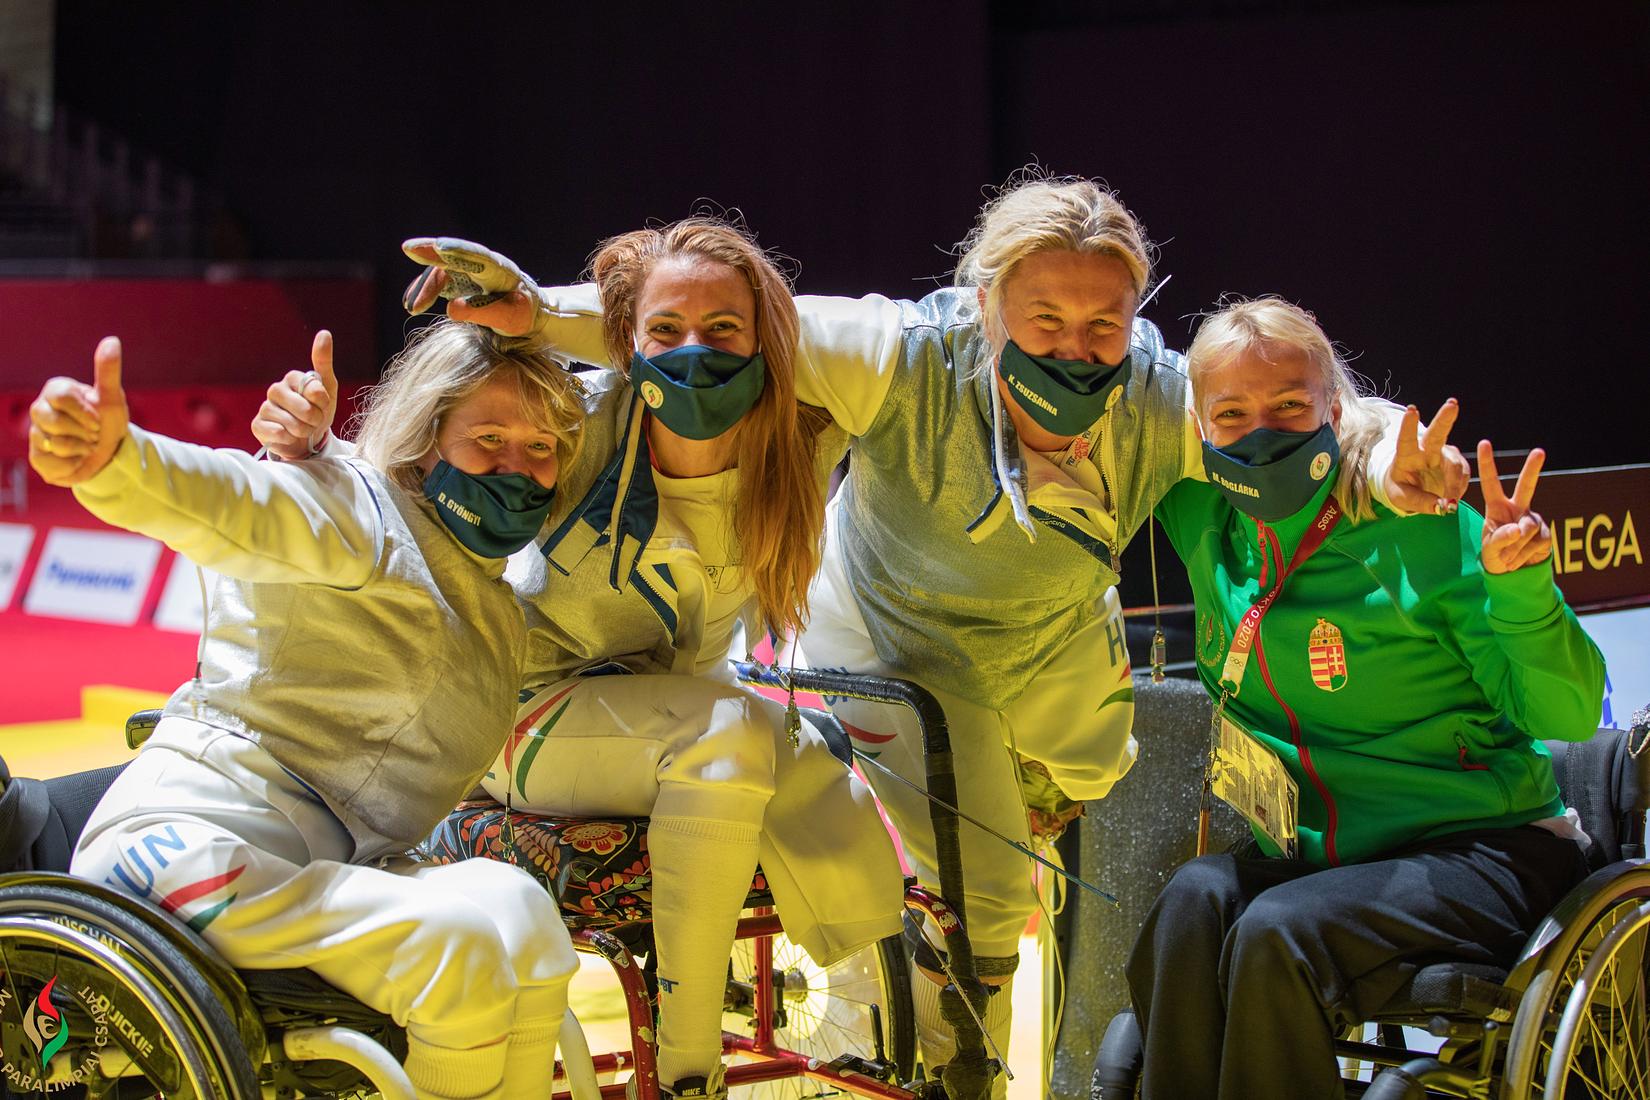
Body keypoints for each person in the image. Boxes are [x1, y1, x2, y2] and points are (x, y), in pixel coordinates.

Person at [381, 174, 1470, 1090]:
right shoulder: (902, 356)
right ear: (987, 304)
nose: (1075, 349)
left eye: (1101, 324)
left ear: (1135, 317)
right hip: (886, 642)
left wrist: (1390, 460)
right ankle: (940, 1049)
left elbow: (1289, 402)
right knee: (979, 876)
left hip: (1044, 640)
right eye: (1043, 321)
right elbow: (713, 314)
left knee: (1074, 790)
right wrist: (537, 311)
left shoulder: (1158, 398)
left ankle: (925, 958)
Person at [256, 218, 907, 1100]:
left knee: (814, 759)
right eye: (664, 330)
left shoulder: (798, 439)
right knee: (726, 733)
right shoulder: (576, 421)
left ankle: (885, 1033)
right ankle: (688, 1071)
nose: (694, 352)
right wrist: (314, 453)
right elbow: (428, 477)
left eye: (724, 329)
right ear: (625, 340)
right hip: (521, 707)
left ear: (766, 339)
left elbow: (882, 344)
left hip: (671, 708)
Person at [32, 322, 586, 1100]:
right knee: (455, 950)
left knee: (526, 915)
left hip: (333, 860)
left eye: (540, 447)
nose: (516, 467)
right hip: (184, 848)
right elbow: (240, 504)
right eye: (488, 438)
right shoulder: (358, 510)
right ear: (426, 441)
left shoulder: (492, 592)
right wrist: (120, 463)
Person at [1124, 297, 1604, 1100]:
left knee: (1277, 933)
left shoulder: (1416, 524)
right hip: (1321, 860)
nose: (1261, 433)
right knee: (1191, 901)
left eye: (1289, 405)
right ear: (1199, 428)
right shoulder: (1200, 513)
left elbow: (1568, 715)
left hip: (1483, 847)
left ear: (1333, 408)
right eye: (1232, 414)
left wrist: (1522, 588)